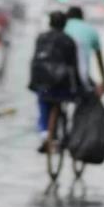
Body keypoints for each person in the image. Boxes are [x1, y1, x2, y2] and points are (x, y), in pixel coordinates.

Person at [30, 11, 82, 153]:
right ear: (65, 24)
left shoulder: (41, 38)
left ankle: (44, 134)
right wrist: (78, 87)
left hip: (43, 83)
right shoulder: (69, 41)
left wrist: (33, 83)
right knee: (64, 103)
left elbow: (35, 61)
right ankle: (62, 135)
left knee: (43, 106)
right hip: (62, 84)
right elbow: (74, 66)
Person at [64, 6, 104, 96]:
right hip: (81, 77)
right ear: (82, 17)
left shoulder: (62, 28)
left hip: (56, 77)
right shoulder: (91, 30)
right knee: (93, 98)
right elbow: (99, 59)